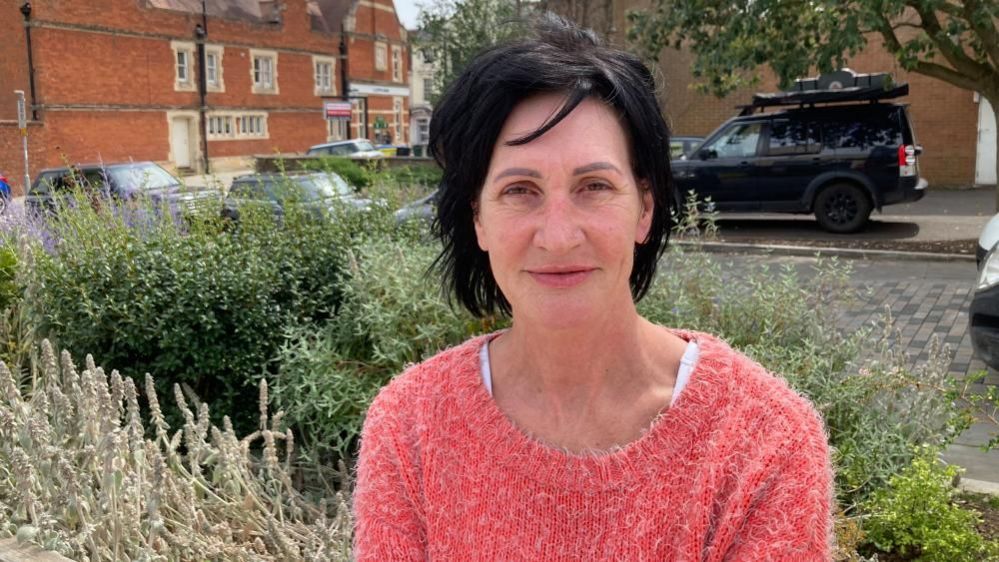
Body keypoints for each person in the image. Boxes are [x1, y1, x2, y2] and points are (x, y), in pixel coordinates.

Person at [353, 14, 833, 560]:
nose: (558, 236)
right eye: (519, 190)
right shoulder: (409, 428)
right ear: (478, 220)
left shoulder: (763, 443)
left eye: (594, 186)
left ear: (645, 208)